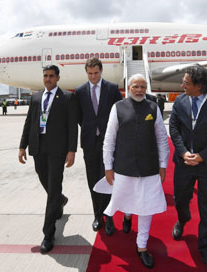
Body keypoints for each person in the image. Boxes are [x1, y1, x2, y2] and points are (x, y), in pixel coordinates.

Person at [103, 74, 169, 269]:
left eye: (143, 86)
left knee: (146, 206)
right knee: (128, 201)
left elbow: (161, 139)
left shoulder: (153, 107)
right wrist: (108, 166)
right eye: (135, 87)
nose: (139, 90)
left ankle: (142, 246)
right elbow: (109, 140)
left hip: (149, 168)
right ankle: (128, 215)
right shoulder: (118, 108)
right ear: (128, 87)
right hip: (124, 167)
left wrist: (163, 164)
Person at [169, 65, 207, 272]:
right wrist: (183, 152)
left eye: (186, 82)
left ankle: (206, 249)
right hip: (184, 162)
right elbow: (174, 129)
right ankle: (183, 218)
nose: (182, 85)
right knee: (180, 198)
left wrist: (203, 156)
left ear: (199, 86)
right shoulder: (179, 101)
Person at [18, 65, 78, 253]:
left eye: (52, 76)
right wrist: (22, 146)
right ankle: (60, 200)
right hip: (38, 147)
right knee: (45, 180)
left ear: (58, 78)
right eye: (45, 76)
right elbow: (29, 122)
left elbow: (72, 126)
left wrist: (71, 150)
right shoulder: (36, 97)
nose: (48, 79)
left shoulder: (67, 97)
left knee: (53, 186)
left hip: (57, 150)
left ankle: (48, 234)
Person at [75, 57, 122, 235]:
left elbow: (119, 113)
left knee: (108, 179)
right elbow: (80, 117)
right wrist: (91, 129)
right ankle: (97, 215)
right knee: (93, 180)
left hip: (108, 143)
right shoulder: (79, 91)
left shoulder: (111, 89)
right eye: (90, 73)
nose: (93, 76)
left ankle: (108, 216)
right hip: (89, 143)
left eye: (95, 73)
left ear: (101, 71)